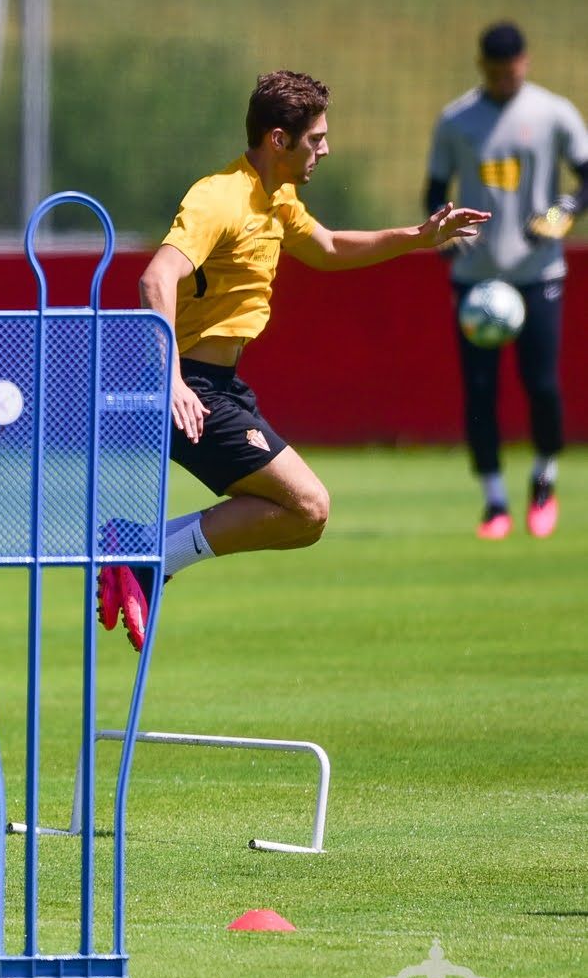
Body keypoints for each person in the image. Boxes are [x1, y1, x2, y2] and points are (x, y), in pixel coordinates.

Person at [99, 72, 488, 648]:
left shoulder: (277, 198)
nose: (325, 150)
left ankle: (142, 550)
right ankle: (144, 553)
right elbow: (155, 279)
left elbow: (327, 248)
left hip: (218, 386)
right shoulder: (218, 196)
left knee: (302, 515)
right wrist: (173, 380)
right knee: (308, 506)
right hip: (187, 390)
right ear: (279, 139)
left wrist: (419, 237)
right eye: (316, 139)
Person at [425, 21, 585, 539]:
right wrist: (443, 232)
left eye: (510, 69)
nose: (503, 79)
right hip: (476, 277)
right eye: (494, 72)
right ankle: (494, 501)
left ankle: (544, 479)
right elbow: (434, 191)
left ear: (525, 62)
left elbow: (585, 178)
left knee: (540, 384)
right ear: (482, 68)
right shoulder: (457, 119)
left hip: (538, 274)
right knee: (479, 390)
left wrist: (563, 212)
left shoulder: (553, 112)